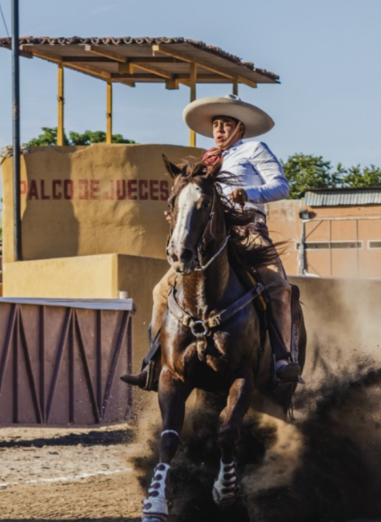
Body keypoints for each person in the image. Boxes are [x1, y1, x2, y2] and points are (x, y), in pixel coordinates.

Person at [121, 94, 301, 390]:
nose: (219, 130)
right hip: (210, 234)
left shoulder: (255, 149)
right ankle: (153, 362)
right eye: (216, 125)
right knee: (161, 290)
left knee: (279, 287)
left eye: (225, 124)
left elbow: (281, 186)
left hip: (249, 231)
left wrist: (248, 193)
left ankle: (282, 359)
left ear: (239, 129)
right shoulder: (208, 160)